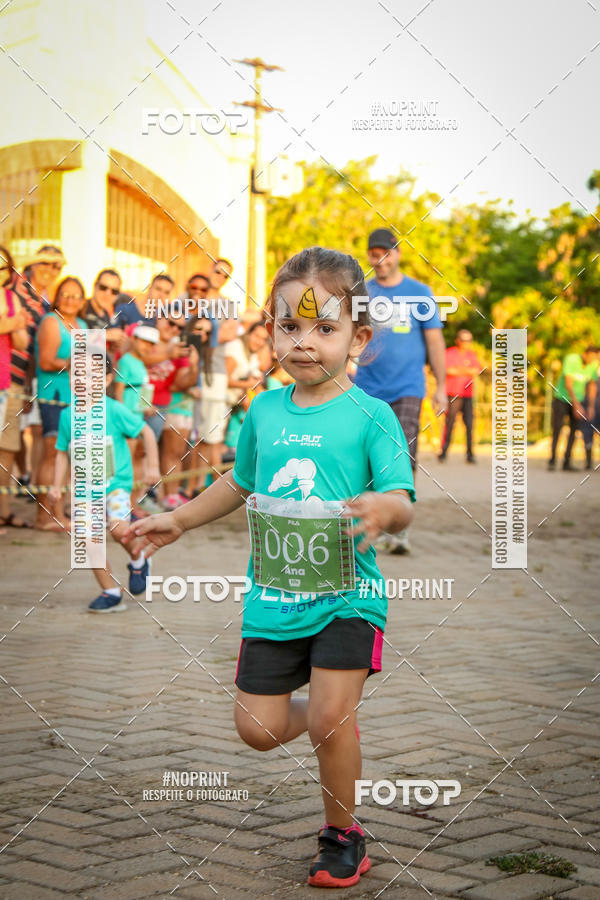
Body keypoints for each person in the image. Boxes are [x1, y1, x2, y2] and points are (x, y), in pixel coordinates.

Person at [127, 246, 416, 889]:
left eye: (324, 327)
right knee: (256, 728)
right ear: (271, 332)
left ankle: (343, 832)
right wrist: (180, 518)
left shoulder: (372, 417)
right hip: (275, 599)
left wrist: (383, 509)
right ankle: (328, 712)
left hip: (348, 595)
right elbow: (241, 483)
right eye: (289, 326)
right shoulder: (262, 411)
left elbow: (402, 500)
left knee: (328, 719)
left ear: (358, 338)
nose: (304, 341)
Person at [353, 228, 446, 554]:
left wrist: (442, 386)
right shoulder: (362, 293)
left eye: (386, 252)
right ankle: (372, 523)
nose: (380, 259)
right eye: (374, 253)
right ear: (369, 256)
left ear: (397, 254)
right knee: (366, 457)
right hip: (365, 387)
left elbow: (434, 341)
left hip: (407, 387)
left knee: (403, 455)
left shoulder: (420, 293)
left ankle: (399, 529)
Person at [50, 357, 159, 613]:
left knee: (119, 531)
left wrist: (153, 466)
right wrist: (56, 485)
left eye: (91, 375)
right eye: (77, 374)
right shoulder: (67, 415)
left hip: (117, 486)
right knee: (88, 539)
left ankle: (138, 559)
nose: (83, 381)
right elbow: (61, 452)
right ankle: (110, 591)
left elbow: (146, 432)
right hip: (85, 491)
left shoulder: (113, 410)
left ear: (107, 380)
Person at [13, 245, 65, 497]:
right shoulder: (15, 286)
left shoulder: (46, 305)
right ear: (33, 262)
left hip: (24, 377)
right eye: (45, 262)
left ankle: (30, 484)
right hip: (7, 374)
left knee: (22, 435)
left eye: (56, 266)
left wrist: (27, 385)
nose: (50, 270)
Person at [35, 276, 87, 531]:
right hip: (52, 395)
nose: (70, 300)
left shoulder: (83, 324)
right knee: (52, 454)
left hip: (76, 397)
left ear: (82, 301)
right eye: (65, 294)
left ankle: (59, 512)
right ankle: (45, 517)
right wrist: (75, 362)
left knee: (67, 455)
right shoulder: (50, 322)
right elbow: (46, 361)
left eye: (76, 296)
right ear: (56, 297)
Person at [0, 246, 29, 530]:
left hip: (6, 381)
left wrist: (12, 325)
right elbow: (14, 327)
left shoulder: (11, 298)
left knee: (7, 447)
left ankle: (3, 509)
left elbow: (21, 342)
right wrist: (10, 323)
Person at [549, 346, 599, 471]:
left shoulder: (593, 365)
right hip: (562, 398)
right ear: (586, 354)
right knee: (558, 428)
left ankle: (567, 461)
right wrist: (576, 405)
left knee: (574, 430)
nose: (594, 360)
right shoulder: (571, 359)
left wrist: (591, 407)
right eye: (592, 357)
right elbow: (568, 384)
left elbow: (592, 386)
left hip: (579, 401)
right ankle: (553, 460)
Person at [438, 329, 481, 463]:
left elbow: (476, 370)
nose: (466, 343)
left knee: (469, 424)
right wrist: (466, 370)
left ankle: (470, 454)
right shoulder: (449, 353)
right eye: (464, 340)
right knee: (450, 423)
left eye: (469, 340)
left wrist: (459, 370)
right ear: (458, 340)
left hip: (468, 395)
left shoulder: (471, 355)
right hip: (453, 394)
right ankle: (443, 452)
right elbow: (448, 370)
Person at [82, 269, 127, 358]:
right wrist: (105, 335)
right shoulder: (81, 307)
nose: (108, 294)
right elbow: (68, 338)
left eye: (114, 291)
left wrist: (113, 347)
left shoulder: (106, 315)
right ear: (95, 286)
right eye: (103, 287)